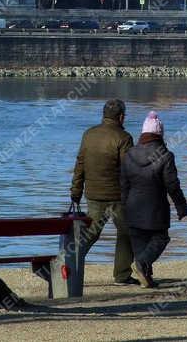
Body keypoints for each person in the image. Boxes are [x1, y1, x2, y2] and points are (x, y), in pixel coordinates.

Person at [70, 98, 137, 285]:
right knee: (126, 232)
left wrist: (75, 191)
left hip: (93, 193)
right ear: (121, 117)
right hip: (118, 196)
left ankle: (68, 264)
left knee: (91, 234)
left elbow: (80, 165)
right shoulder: (124, 138)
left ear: (104, 115)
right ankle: (122, 275)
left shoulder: (88, 135)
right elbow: (129, 170)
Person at [120, 111, 187, 288]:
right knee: (160, 238)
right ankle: (142, 265)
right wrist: (181, 206)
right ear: (160, 134)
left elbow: (124, 185)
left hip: (133, 207)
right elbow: (172, 185)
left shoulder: (129, 155)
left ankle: (146, 278)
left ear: (143, 134)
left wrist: (124, 206)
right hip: (156, 207)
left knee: (140, 243)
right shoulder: (166, 156)